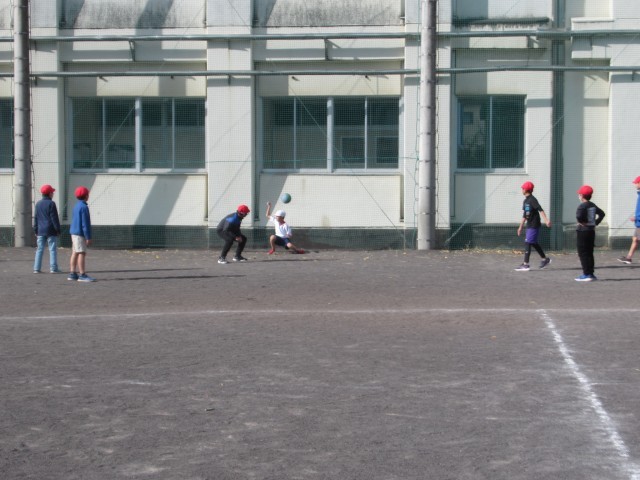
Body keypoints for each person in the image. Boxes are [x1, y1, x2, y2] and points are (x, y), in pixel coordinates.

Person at [514, 181, 552, 271]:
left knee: (528, 242)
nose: (522, 190)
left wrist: (546, 220)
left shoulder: (532, 199)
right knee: (533, 242)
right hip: (529, 224)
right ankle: (545, 259)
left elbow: (540, 210)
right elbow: (525, 214)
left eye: (523, 188)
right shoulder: (526, 201)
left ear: (526, 190)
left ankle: (526, 264)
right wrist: (520, 227)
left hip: (534, 224)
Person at [575, 185, 606, 282]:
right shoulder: (592, 205)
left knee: (582, 252)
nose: (578, 196)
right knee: (589, 252)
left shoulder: (582, 206)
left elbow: (579, 216)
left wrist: (582, 222)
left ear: (581, 195)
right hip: (591, 231)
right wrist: (595, 222)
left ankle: (586, 274)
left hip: (583, 231)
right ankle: (591, 273)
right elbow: (602, 214)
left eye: (579, 194)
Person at [68, 186, 96, 282]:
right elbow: (85, 223)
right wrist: (88, 237)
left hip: (73, 232)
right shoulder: (84, 207)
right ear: (86, 196)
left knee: (75, 252)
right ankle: (82, 274)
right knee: (82, 253)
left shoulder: (76, 206)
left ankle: (72, 273)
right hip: (80, 233)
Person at [33, 184, 62, 273]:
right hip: (51, 230)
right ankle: (53, 268)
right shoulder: (51, 204)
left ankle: (36, 268)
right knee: (52, 249)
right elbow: (54, 218)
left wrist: (35, 230)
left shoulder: (38, 204)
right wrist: (58, 229)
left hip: (40, 230)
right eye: (52, 192)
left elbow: (36, 218)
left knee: (39, 249)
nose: (53, 194)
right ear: (49, 194)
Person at [617, 175, 640, 264]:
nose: (635, 185)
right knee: (635, 239)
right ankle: (628, 258)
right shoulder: (639, 194)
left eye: (636, 183)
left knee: (635, 239)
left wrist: (637, 217)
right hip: (638, 222)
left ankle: (628, 257)